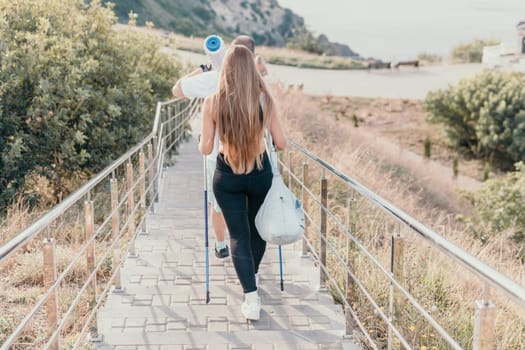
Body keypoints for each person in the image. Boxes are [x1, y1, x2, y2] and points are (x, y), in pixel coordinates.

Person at [198, 45, 286, 321]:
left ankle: (250, 297)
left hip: (227, 177)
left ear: (225, 69)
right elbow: (281, 143)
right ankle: (252, 276)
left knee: (238, 235)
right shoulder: (265, 100)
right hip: (260, 173)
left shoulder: (212, 102)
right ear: (251, 68)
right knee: (257, 231)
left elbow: (205, 147)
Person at [171, 35, 264, 259]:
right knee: (250, 204)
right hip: (255, 155)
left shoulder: (214, 77)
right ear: (252, 56)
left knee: (218, 203)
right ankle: (246, 246)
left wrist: (203, 68)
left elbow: (177, 90)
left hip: (218, 158)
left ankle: (221, 244)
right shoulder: (259, 82)